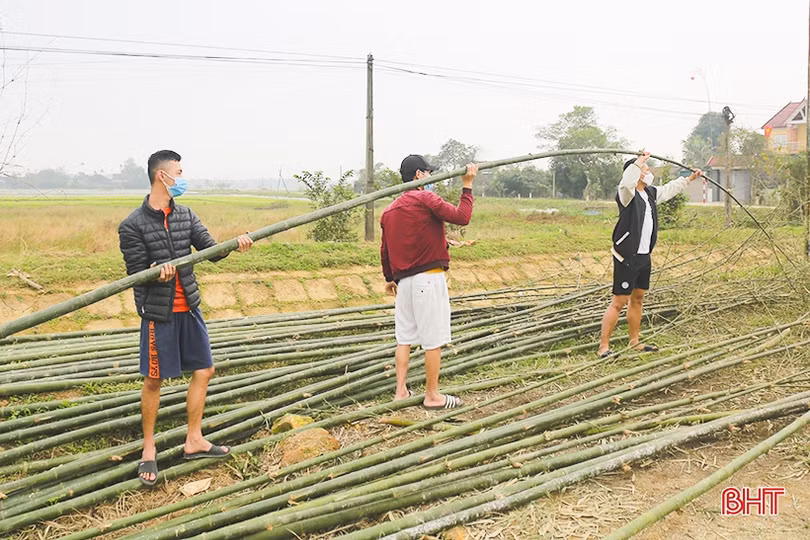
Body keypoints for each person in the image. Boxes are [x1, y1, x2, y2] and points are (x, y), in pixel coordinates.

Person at [118, 150, 253, 486]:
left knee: (204, 370)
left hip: (189, 307)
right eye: (179, 172)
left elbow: (209, 250)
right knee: (153, 380)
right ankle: (148, 450)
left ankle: (194, 439)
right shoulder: (132, 225)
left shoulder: (186, 216)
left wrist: (235, 244)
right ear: (162, 177)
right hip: (158, 314)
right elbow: (136, 273)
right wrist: (154, 273)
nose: (183, 177)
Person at [380, 154, 478, 409]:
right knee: (432, 340)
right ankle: (432, 395)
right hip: (428, 280)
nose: (431, 176)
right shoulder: (426, 198)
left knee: (404, 338)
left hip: (405, 284)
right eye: (428, 172)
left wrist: (390, 278)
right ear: (419, 175)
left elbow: (385, 250)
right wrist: (467, 185)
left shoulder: (390, 210)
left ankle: (401, 391)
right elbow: (462, 217)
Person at [597, 151, 702, 358]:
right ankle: (603, 347)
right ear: (635, 173)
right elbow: (626, 183)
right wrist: (638, 162)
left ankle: (634, 341)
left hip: (644, 256)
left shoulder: (650, 193)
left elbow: (669, 189)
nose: (649, 172)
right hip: (627, 257)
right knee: (619, 302)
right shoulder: (627, 195)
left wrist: (689, 179)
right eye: (645, 170)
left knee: (638, 298)